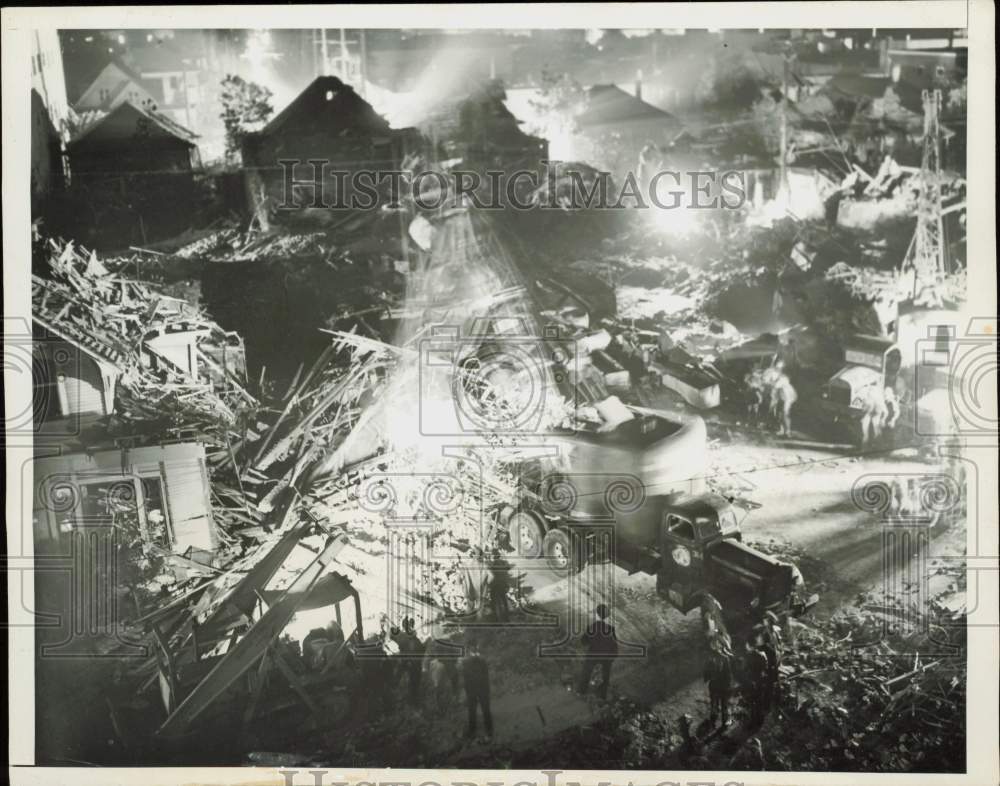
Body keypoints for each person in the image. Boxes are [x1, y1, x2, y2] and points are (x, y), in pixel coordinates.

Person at [577, 603, 618, 699]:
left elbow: (583, 642)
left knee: (586, 672)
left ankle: (581, 691)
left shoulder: (591, 627)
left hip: (593, 655)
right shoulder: (611, 628)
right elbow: (614, 644)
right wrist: (612, 656)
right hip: (606, 657)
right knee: (605, 676)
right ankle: (602, 695)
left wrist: (588, 645)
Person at [461, 640, 493, 739]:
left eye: (474, 646)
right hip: (472, 689)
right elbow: (465, 677)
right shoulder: (466, 661)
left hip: (481, 688)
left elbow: (486, 675)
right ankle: (473, 731)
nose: (473, 648)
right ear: (469, 647)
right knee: (472, 711)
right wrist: (467, 690)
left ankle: (489, 730)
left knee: (485, 710)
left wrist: (487, 689)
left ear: (476, 647)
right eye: (471, 646)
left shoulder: (481, 659)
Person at [704, 642, 734, 727]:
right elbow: (728, 674)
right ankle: (721, 720)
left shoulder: (716, 658)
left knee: (718, 703)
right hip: (719, 685)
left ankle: (719, 717)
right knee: (720, 703)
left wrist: (707, 678)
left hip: (718, 685)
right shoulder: (722, 658)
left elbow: (706, 672)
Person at [744, 638, 770, 728]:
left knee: (753, 702)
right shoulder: (762, 655)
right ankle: (759, 720)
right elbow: (765, 668)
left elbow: (746, 669)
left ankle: (753, 721)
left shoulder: (749, 656)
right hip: (760, 680)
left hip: (753, 681)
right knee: (759, 701)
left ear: (751, 647)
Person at [488, 552, 511, 622]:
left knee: (494, 602)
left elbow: (490, 575)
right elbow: (508, 568)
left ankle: (495, 618)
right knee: (504, 600)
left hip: (495, 585)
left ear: (493, 557)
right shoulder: (504, 563)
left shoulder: (492, 564)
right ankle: (506, 617)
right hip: (503, 584)